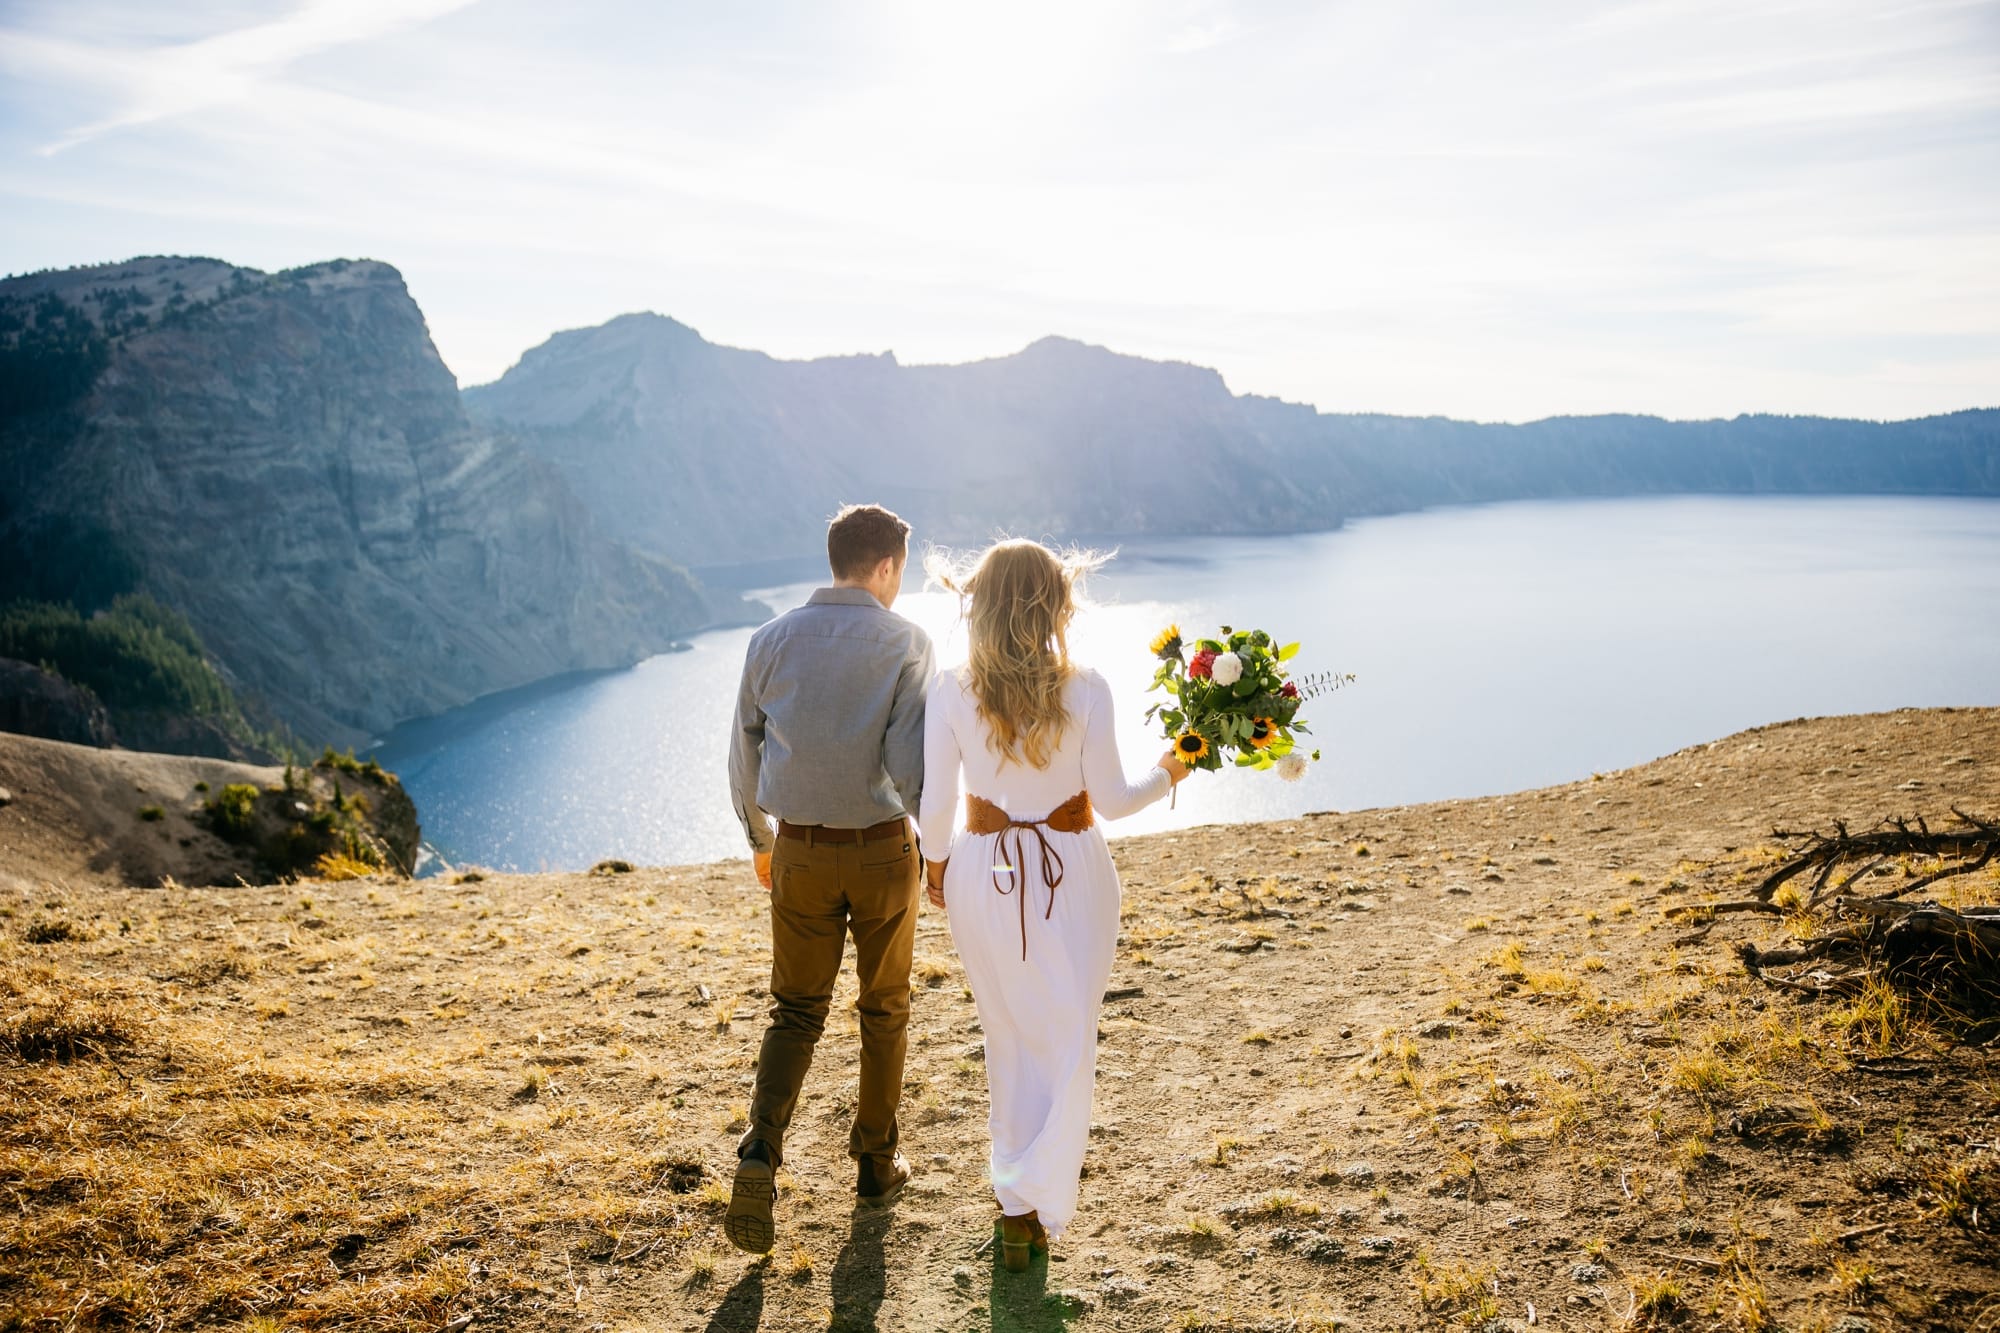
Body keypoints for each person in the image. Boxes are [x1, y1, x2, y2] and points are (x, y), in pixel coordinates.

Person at [915, 539, 1190, 1273]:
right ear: (1052, 601)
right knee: (1068, 1038)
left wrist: (936, 868)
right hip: (1073, 869)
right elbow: (1115, 800)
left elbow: (934, 804)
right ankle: (1032, 1194)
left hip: (983, 869)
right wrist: (1173, 769)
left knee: (1004, 1032)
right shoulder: (1089, 685)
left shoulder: (949, 688)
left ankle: (1017, 1206)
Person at [723, 503, 935, 1256]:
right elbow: (913, 768)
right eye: (900, 571)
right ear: (884, 567)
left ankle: (760, 1151)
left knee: (795, 1009)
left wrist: (761, 839)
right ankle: (876, 1164)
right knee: (884, 1009)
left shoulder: (768, 640)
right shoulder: (907, 642)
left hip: (800, 854)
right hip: (882, 852)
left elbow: (743, 754)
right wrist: (936, 851)